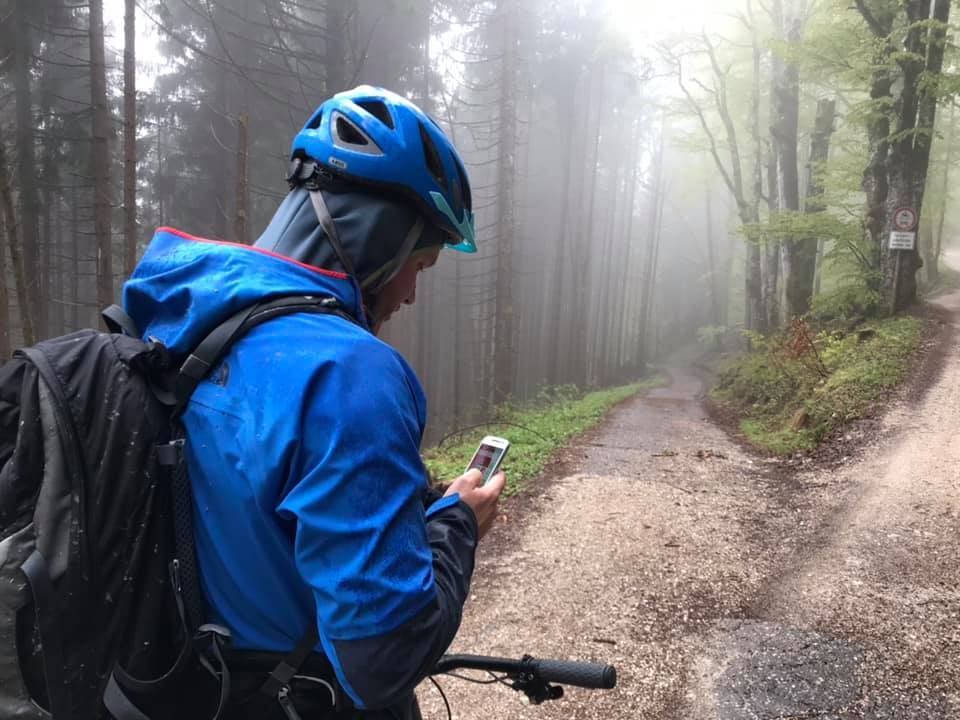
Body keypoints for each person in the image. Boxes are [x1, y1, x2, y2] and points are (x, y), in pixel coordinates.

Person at [121, 85, 505, 718]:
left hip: (170, 685)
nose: (410, 292)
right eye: (420, 262)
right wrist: (458, 525)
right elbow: (386, 661)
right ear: (378, 237)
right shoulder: (349, 373)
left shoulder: (175, 313)